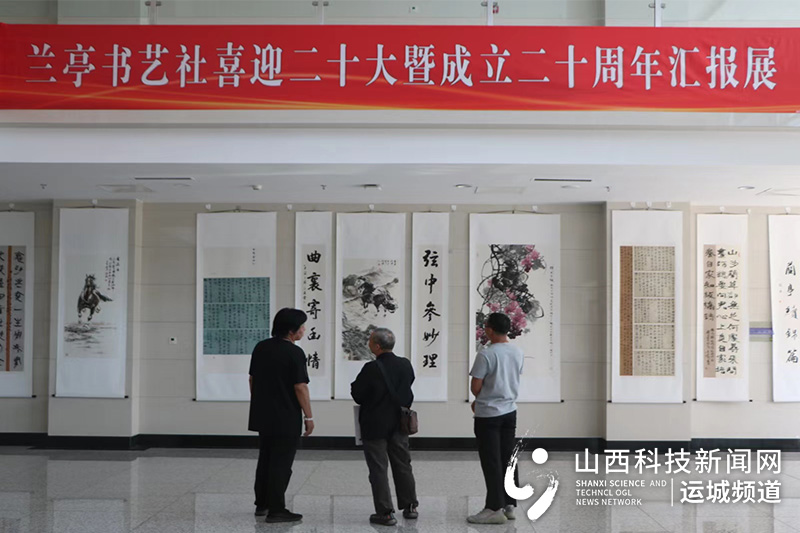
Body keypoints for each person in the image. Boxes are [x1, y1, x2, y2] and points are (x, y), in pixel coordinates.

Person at [248, 308, 314, 523]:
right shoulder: (294, 353)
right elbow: (300, 387)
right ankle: (277, 509)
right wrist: (309, 417)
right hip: (286, 415)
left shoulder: (261, 347)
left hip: (263, 413)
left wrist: (260, 402)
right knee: (281, 462)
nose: (304, 330)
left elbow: (252, 379)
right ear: (291, 330)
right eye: (301, 326)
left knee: (266, 458)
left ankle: (262, 504)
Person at [351, 328, 419, 526]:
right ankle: (410, 506)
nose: (368, 344)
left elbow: (358, 394)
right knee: (403, 465)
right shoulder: (405, 364)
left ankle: (385, 513)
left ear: (377, 346)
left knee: (378, 469)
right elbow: (408, 384)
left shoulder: (371, 368)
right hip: (400, 422)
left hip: (374, 424)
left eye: (370, 341)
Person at [467, 312, 524, 525]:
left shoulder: (486, 354)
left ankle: (493, 508)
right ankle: (509, 505)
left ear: (490, 330)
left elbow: (476, 387)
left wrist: (480, 399)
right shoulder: (517, 352)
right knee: (508, 458)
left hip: (489, 414)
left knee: (491, 460)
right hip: (510, 411)